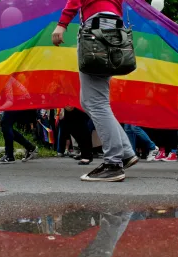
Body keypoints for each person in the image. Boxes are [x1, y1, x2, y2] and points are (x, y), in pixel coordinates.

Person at [52, 0, 138, 182]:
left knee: (96, 101)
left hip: (96, 28)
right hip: (111, 26)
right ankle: (125, 153)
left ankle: (113, 164)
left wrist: (62, 24)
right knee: (88, 101)